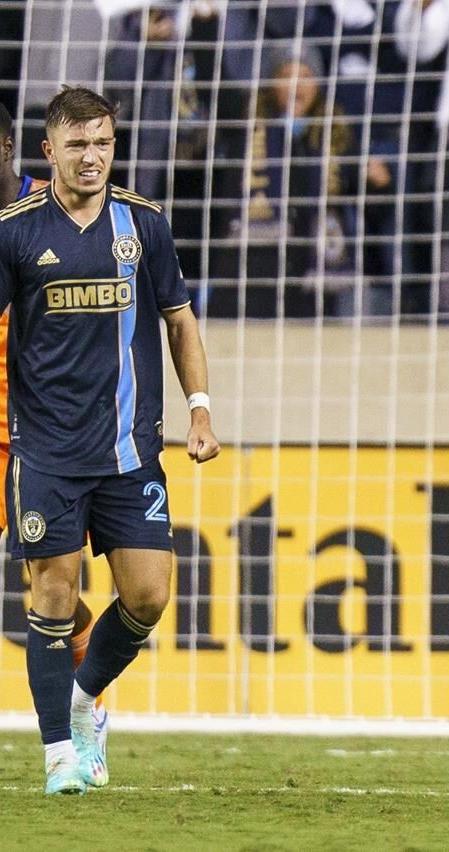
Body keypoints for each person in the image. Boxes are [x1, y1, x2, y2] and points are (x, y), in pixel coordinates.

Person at [0, 86, 220, 795]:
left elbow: (180, 321)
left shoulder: (144, 224)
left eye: (102, 143)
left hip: (130, 452)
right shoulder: (15, 230)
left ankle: (83, 697)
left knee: (150, 597)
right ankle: (59, 754)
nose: (91, 158)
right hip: (46, 451)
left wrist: (201, 408)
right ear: (48, 151)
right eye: (77, 145)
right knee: (53, 595)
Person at [0, 100, 108, 741]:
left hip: (41, 430)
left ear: (10, 146)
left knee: (50, 582)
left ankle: (86, 697)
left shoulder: (56, 211)